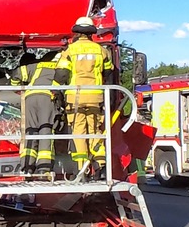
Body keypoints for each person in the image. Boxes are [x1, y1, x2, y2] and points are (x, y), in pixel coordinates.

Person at [54, 17, 114, 178]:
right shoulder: (102, 51)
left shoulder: (70, 51)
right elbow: (109, 74)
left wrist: (55, 93)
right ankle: (100, 165)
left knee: (79, 133)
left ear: (77, 32)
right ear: (90, 33)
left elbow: (61, 75)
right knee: (94, 131)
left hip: (76, 98)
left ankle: (82, 170)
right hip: (96, 97)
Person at [10, 51, 67, 176]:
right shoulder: (64, 68)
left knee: (30, 131)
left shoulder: (39, 66)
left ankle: (27, 167)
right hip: (48, 98)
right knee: (45, 131)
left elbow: (16, 74)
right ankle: (43, 168)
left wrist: (19, 90)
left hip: (30, 98)